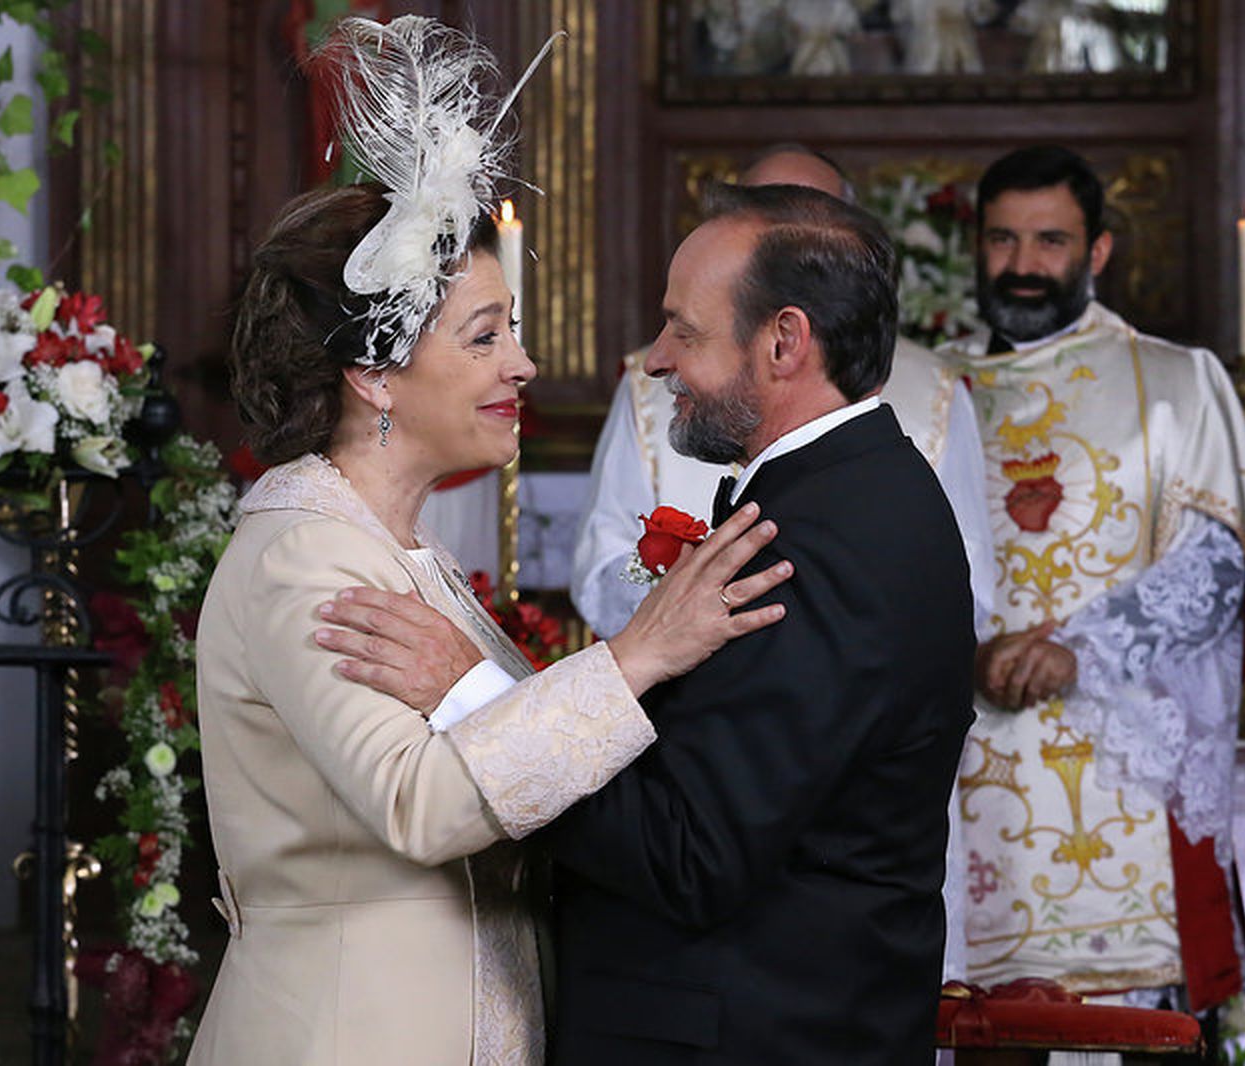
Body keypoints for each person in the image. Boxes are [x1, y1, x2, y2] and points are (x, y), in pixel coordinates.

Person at [186, 18, 792, 1066]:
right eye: (485, 335)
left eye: (510, 329)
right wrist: (636, 656)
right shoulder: (302, 553)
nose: (523, 364)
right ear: (373, 374)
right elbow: (421, 806)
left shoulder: (393, 549)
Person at [322, 182, 976, 1063]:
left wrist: (470, 692)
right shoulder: (842, 497)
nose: (658, 359)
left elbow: (687, 854)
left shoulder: (823, 541)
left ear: (784, 341)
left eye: (685, 330)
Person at [936, 146, 1245, 1008]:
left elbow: (1214, 570)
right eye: (1002, 241)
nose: (1023, 266)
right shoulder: (931, 387)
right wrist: (968, 650)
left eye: (1049, 241)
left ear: (1097, 253)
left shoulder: (1175, 381)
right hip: (957, 771)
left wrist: (1077, 650)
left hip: (1117, 773)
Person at [571, 143, 994, 643]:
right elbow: (601, 562)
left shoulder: (935, 399)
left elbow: (963, 593)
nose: (660, 362)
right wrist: (683, 610)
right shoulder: (649, 389)